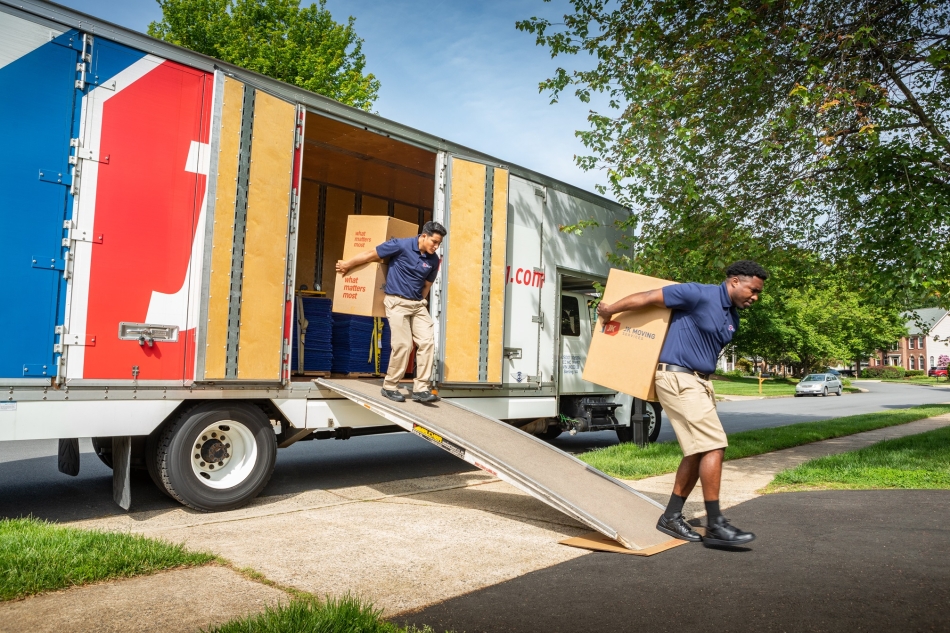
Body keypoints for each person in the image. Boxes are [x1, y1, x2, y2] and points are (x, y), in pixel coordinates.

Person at [596, 260, 768, 548]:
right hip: (678, 378)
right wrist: (611, 308)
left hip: (700, 383)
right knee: (714, 445)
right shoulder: (697, 294)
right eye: (753, 290)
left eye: (758, 293)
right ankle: (715, 524)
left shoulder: (732, 318)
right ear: (735, 281)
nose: (755, 297)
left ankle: (672, 516)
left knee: (698, 450)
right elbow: (649, 297)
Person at [335, 221, 446, 404]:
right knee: (403, 345)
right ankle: (390, 386)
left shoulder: (433, 260)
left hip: (417, 305)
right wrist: (347, 264)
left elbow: (427, 284)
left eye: (439, 243)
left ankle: (420, 389)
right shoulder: (401, 245)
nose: (436, 246)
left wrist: (421, 302)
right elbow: (371, 254)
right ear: (424, 236)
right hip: (397, 302)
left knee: (427, 342)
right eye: (434, 241)